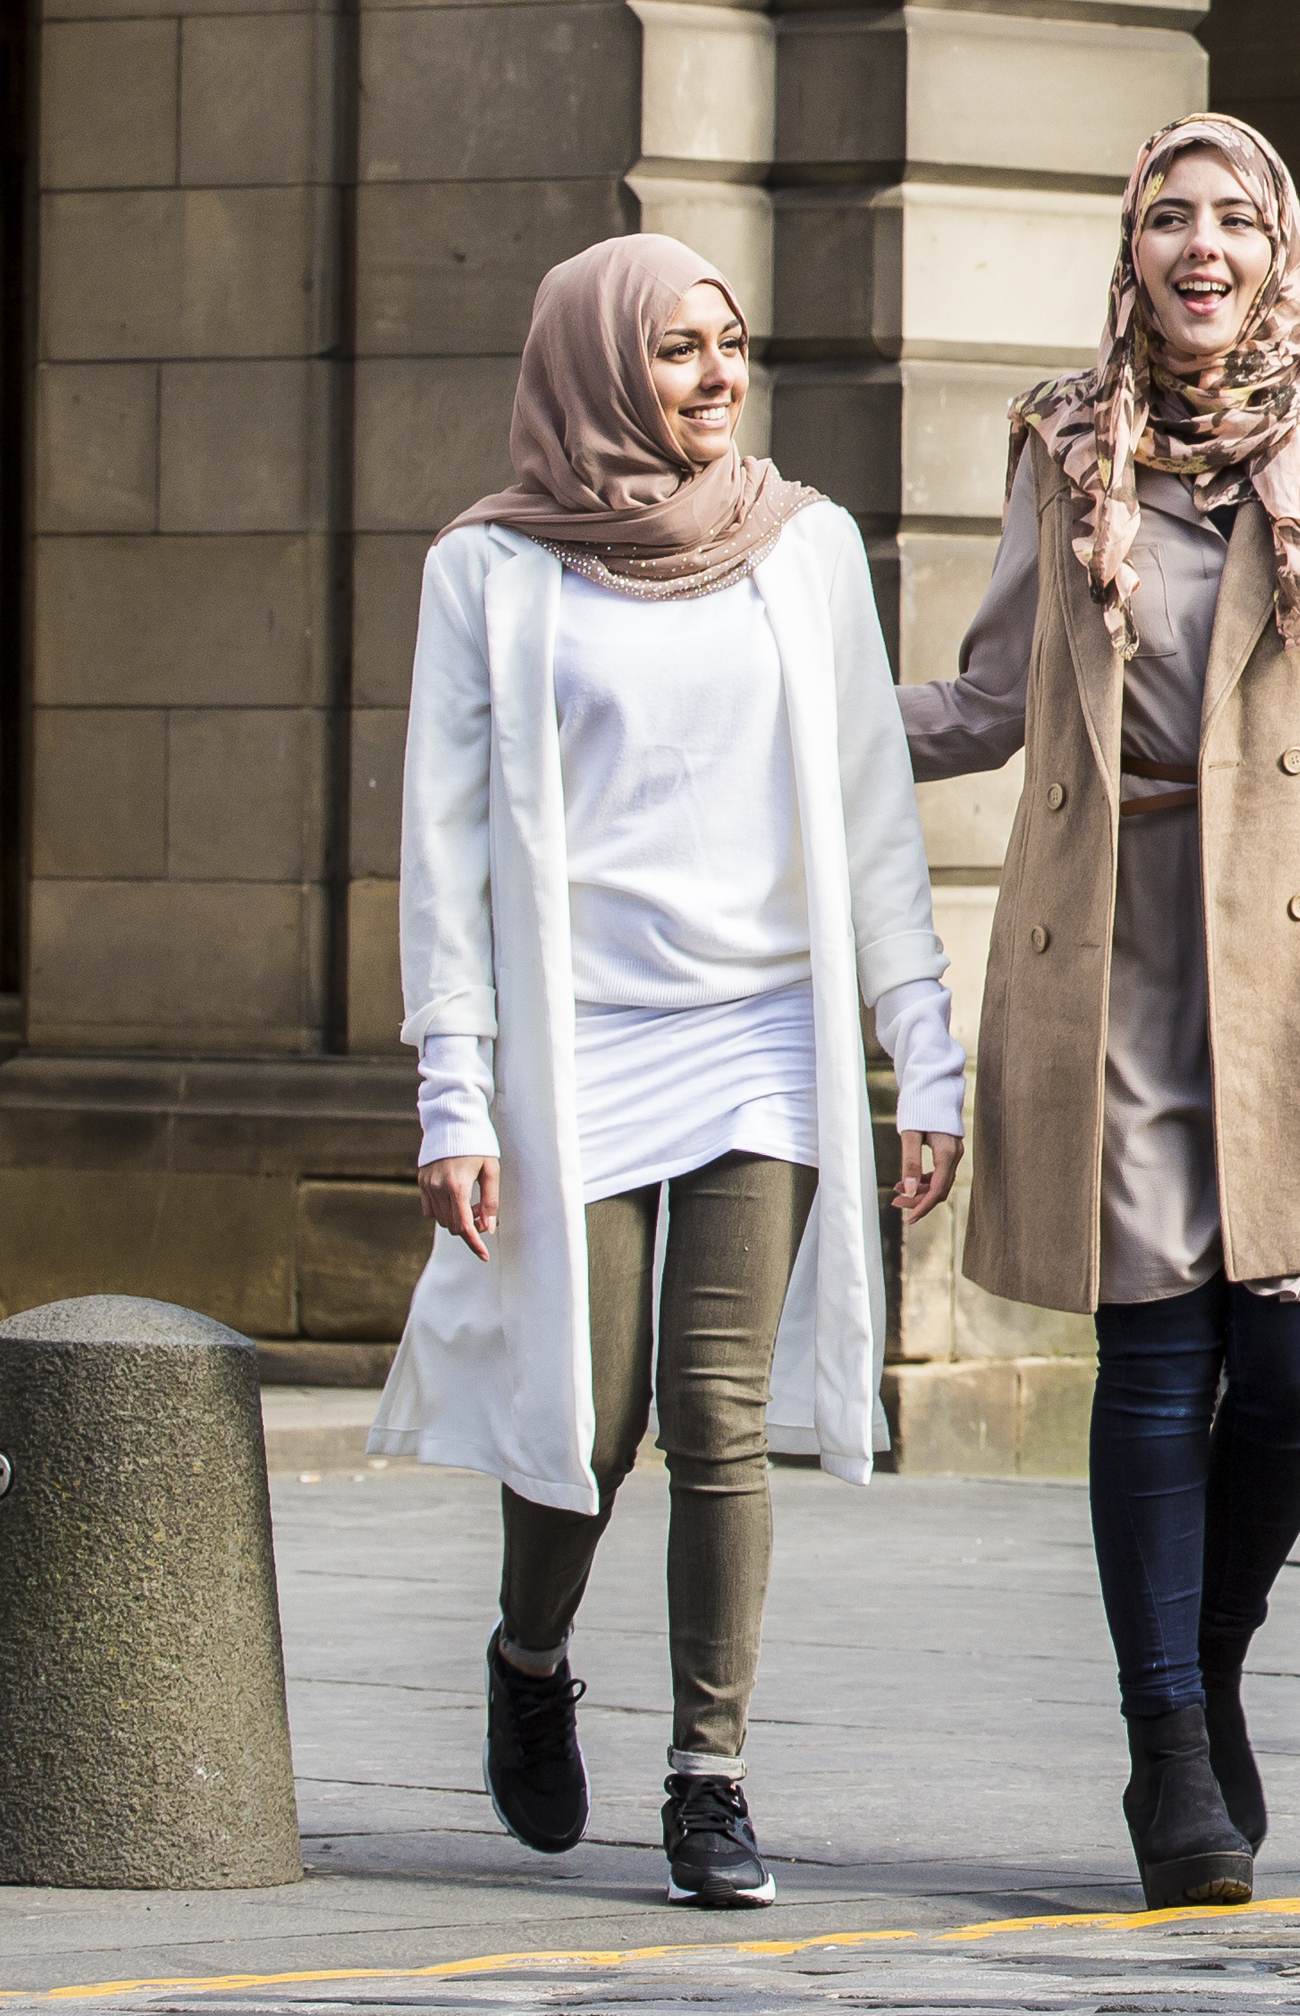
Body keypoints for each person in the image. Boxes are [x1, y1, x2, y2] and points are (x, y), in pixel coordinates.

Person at [905, 113, 1300, 1909]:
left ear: (1279, 242)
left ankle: (1209, 1648)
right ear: (1135, 248)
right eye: (1171, 212)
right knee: (1157, 1358)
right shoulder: (1065, 440)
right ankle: (1170, 1740)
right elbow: (995, 688)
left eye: (1236, 212)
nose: (1203, 239)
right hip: (1129, 934)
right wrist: (773, 711)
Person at [377, 237, 968, 1914]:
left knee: (717, 1410)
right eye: (677, 352)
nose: (718, 380)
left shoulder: (806, 547)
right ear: (592, 368)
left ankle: (710, 1771)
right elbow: (442, 851)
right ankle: (531, 1647)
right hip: (581, 1038)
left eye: (731, 346)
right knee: (595, 1405)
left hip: (761, 1035)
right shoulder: (489, 571)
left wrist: (923, 1051)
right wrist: (454, 1089)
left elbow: (868, 811)